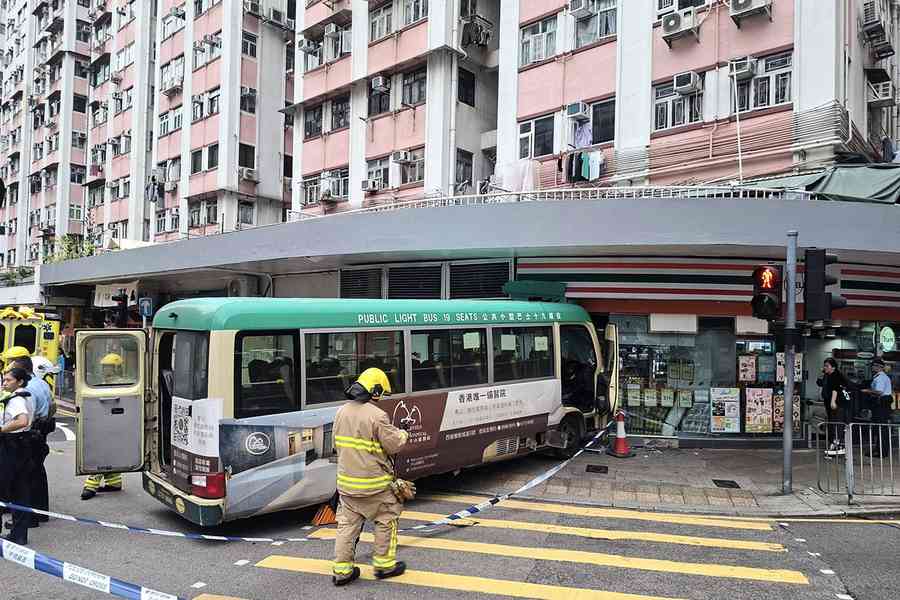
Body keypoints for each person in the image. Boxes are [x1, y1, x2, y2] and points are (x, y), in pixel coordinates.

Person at [331, 368, 410, 587]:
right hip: (376, 486)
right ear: (374, 390)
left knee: (347, 527)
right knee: (387, 520)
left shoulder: (341, 411)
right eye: (381, 392)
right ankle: (384, 566)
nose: (381, 397)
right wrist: (404, 432)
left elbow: (336, 445)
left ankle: (342, 571)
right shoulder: (377, 415)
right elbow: (394, 445)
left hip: (346, 485)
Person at [3, 348, 54, 525]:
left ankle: (29, 517)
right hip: (42, 432)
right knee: (38, 474)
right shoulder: (42, 383)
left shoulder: (27, 390)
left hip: (29, 435)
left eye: (11, 364)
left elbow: (24, 419)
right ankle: (41, 513)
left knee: (25, 479)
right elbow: (52, 405)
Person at [81, 353, 128, 500]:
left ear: (117, 368)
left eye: (108, 367)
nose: (105, 370)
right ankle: (114, 483)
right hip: (105, 421)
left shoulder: (120, 382)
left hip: (113, 422)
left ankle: (90, 487)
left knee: (101, 453)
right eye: (104, 367)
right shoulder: (104, 381)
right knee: (109, 451)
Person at [0, 367, 37, 544]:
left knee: (7, 488)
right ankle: (19, 534)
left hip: (11, 445)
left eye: (8, 380)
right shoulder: (27, 395)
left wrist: (2, 429)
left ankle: (16, 534)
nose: (4, 383)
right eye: (4, 379)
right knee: (20, 491)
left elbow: (22, 420)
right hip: (24, 443)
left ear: (20, 381)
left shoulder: (16, 399)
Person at [863, 358, 894, 455]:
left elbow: (879, 392)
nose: (872, 367)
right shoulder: (880, 377)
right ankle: (879, 449)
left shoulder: (880, 378)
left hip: (881, 405)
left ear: (878, 367)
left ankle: (881, 451)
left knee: (881, 427)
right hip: (882, 405)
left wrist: (867, 391)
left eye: (873, 366)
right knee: (880, 427)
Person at [821, 358, 850, 456]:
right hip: (832, 403)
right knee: (833, 423)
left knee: (837, 423)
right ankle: (835, 444)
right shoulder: (828, 376)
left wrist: (833, 401)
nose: (825, 368)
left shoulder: (835, 375)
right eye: (824, 366)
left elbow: (835, 389)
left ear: (833, 367)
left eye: (827, 366)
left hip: (838, 404)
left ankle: (838, 444)